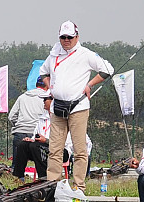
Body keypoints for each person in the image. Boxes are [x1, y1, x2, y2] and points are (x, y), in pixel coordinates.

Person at [39, 21, 113, 191]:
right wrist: (50, 85)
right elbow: (43, 71)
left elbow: (107, 69)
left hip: (78, 107)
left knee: (80, 149)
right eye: (63, 37)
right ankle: (53, 186)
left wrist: (90, 84)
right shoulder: (53, 54)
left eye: (70, 37)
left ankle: (79, 186)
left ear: (76, 37)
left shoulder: (85, 54)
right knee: (54, 149)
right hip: (57, 107)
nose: (66, 40)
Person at [9, 78, 50, 180]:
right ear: (47, 86)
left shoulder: (22, 97)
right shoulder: (46, 98)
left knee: (17, 162)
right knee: (36, 155)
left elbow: (11, 116)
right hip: (37, 133)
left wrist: (18, 125)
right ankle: (38, 178)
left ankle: (19, 179)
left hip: (21, 131)